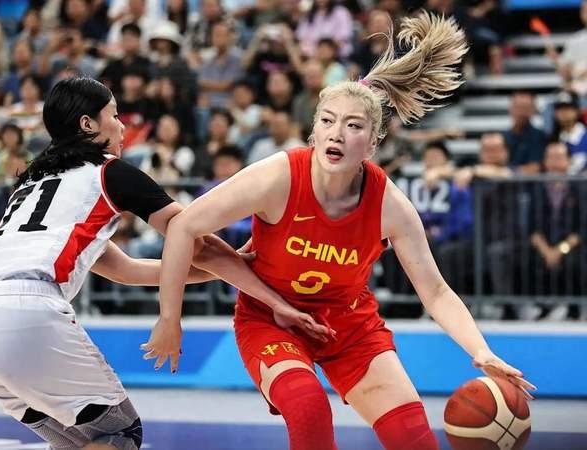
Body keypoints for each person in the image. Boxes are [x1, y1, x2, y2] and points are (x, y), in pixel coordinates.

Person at [143, 13, 536, 450]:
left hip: (349, 326)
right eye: (328, 121)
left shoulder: (390, 205)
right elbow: (184, 227)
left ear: (373, 142)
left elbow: (436, 291)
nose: (338, 134)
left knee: (413, 439)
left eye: (353, 126)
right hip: (272, 319)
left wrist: (480, 350)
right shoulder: (277, 177)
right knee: (309, 406)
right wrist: (169, 318)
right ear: (314, 131)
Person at [0, 77, 330, 450]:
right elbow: (194, 241)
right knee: (118, 432)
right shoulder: (108, 171)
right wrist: (268, 293)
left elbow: (123, 268)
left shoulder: (33, 182)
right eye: (114, 115)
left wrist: (221, 269)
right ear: (88, 124)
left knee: (79, 440)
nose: (122, 126)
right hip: (24, 313)